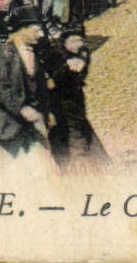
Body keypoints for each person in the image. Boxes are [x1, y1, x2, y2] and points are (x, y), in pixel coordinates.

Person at [0, 7, 51, 162]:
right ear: (22, 30)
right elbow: (2, 90)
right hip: (10, 126)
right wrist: (21, 108)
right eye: (36, 30)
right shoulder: (4, 54)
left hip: (34, 124)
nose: (41, 34)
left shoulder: (37, 50)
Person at [47, 32, 109, 174]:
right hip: (57, 101)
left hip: (74, 100)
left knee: (79, 131)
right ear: (65, 42)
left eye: (80, 41)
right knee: (69, 133)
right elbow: (52, 78)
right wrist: (66, 68)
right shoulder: (55, 55)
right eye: (74, 41)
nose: (78, 44)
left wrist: (80, 65)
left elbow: (81, 74)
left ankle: (93, 165)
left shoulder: (83, 54)